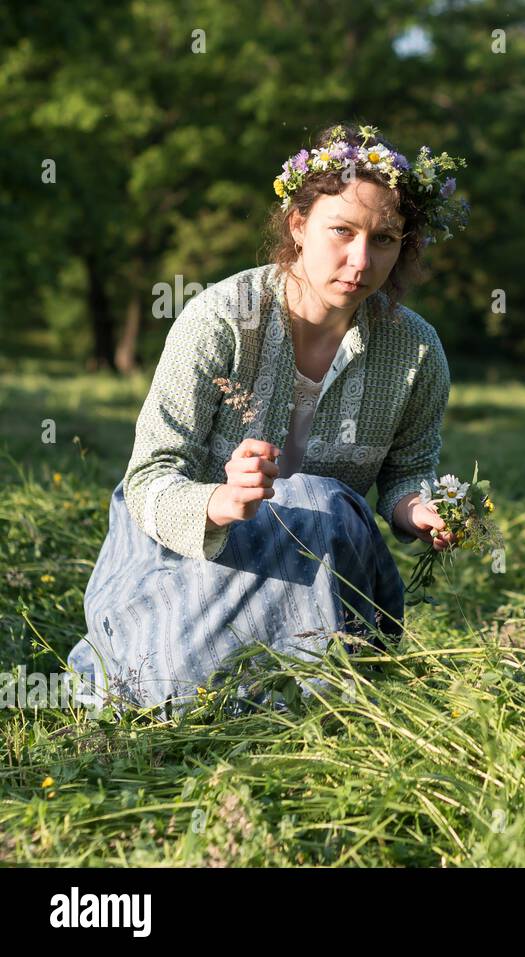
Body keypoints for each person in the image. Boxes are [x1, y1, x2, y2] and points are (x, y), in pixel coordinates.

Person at [66, 122, 473, 717]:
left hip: (319, 568)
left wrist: (419, 509)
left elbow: (408, 471)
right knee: (159, 687)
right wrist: (220, 503)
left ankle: (312, 692)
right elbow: (150, 476)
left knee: (322, 502)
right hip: (187, 561)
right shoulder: (222, 321)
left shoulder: (414, 350)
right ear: (298, 224)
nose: (360, 259)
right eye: (342, 231)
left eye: (384, 239)